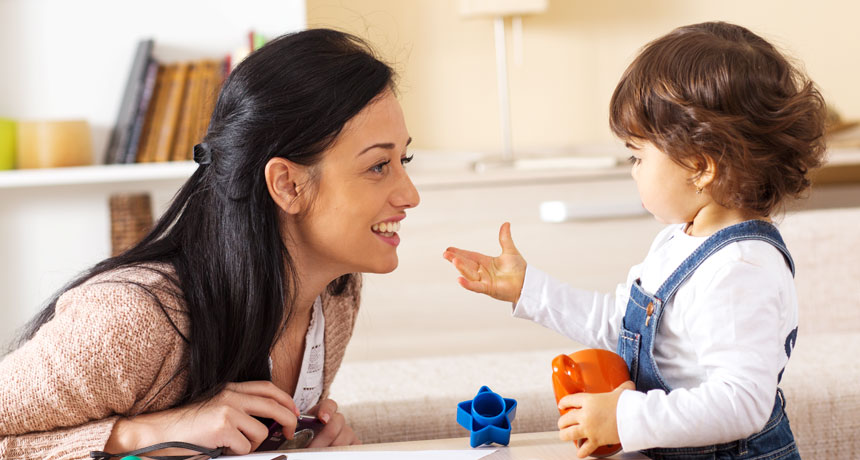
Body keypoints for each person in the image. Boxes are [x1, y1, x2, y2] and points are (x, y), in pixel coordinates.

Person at [0, 28, 419, 459]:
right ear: (287, 184)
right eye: (378, 166)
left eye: (403, 160)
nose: (411, 195)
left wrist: (303, 446)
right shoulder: (132, 321)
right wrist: (142, 436)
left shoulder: (334, 296)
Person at [443, 21, 825, 459]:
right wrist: (527, 289)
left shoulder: (740, 268)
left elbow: (740, 403)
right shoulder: (679, 241)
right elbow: (621, 323)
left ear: (700, 167)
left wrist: (625, 417)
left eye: (637, 156)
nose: (633, 171)